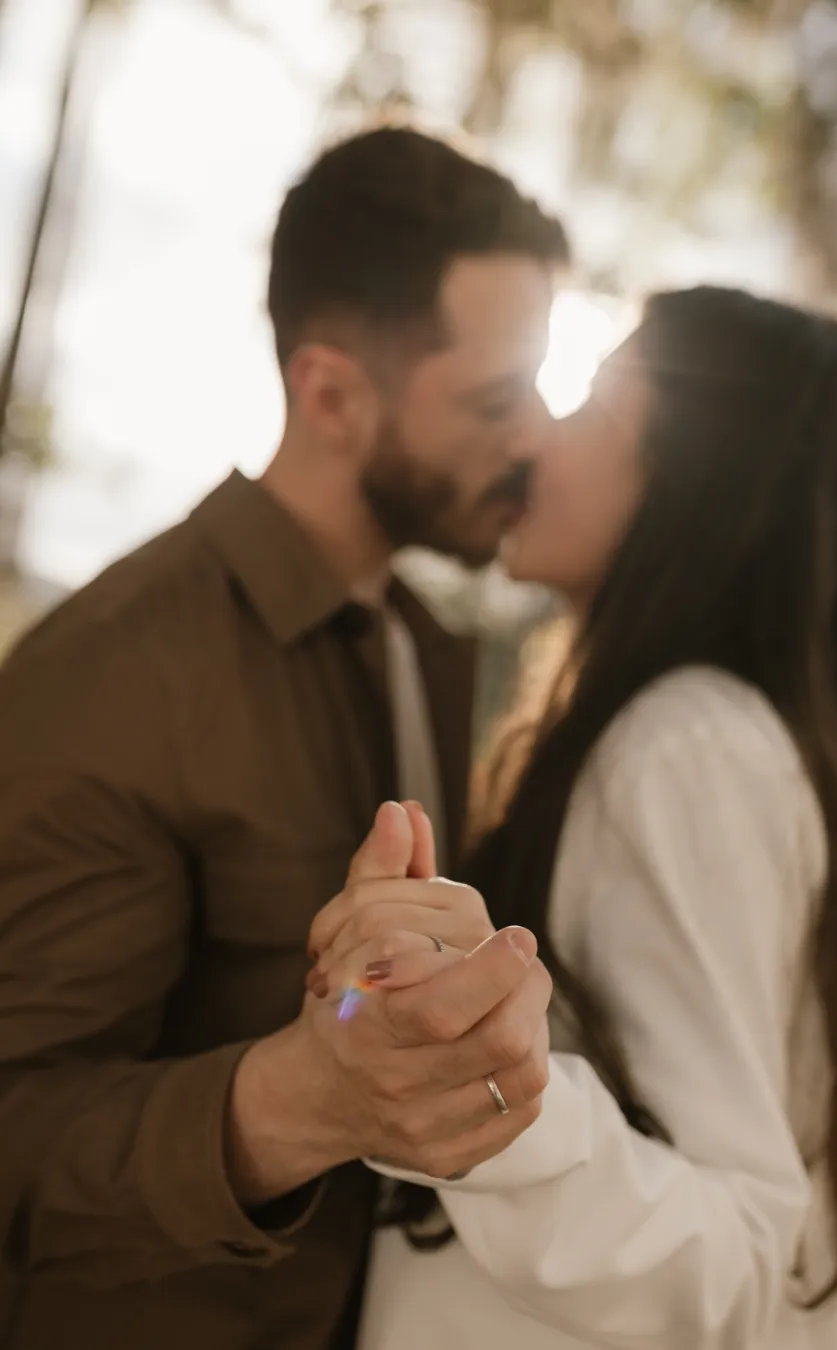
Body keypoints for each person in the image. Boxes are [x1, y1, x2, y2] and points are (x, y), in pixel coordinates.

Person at [0, 126, 566, 1350]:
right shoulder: (118, 671)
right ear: (330, 393)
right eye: (496, 398)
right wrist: (300, 1101)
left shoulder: (415, 643)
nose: (537, 438)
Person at [308, 286, 837, 1349]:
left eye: (589, 405)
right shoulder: (708, 739)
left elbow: (742, 1248)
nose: (535, 432)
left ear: (698, 485)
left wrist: (473, 1085)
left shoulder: (687, 750)